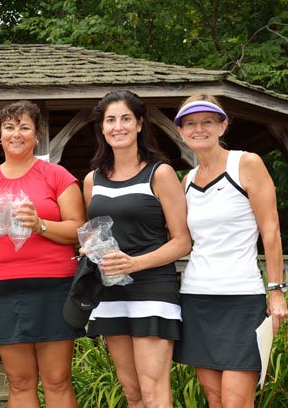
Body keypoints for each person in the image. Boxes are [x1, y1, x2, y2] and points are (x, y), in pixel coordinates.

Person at [0, 100, 85, 408]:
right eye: (9, 127)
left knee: (57, 379)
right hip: (5, 289)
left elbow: (78, 230)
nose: (16, 134)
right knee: (19, 382)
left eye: (24, 127)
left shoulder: (56, 175)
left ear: (36, 134)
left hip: (53, 287)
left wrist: (40, 225)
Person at [171, 95, 288, 407]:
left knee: (237, 401)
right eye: (191, 123)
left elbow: (271, 230)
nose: (199, 128)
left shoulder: (246, 163)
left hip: (241, 298)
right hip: (197, 298)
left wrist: (276, 290)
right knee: (215, 399)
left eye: (207, 121)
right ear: (181, 132)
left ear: (222, 126)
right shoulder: (187, 182)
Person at [82, 90, 191, 408]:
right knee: (132, 393)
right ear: (102, 128)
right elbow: (92, 235)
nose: (118, 126)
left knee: (154, 392)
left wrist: (135, 264)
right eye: (110, 120)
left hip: (152, 290)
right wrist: (93, 250)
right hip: (111, 291)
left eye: (126, 119)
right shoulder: (93, 180)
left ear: (140, 124)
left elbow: (182, 240)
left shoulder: (160, 173)